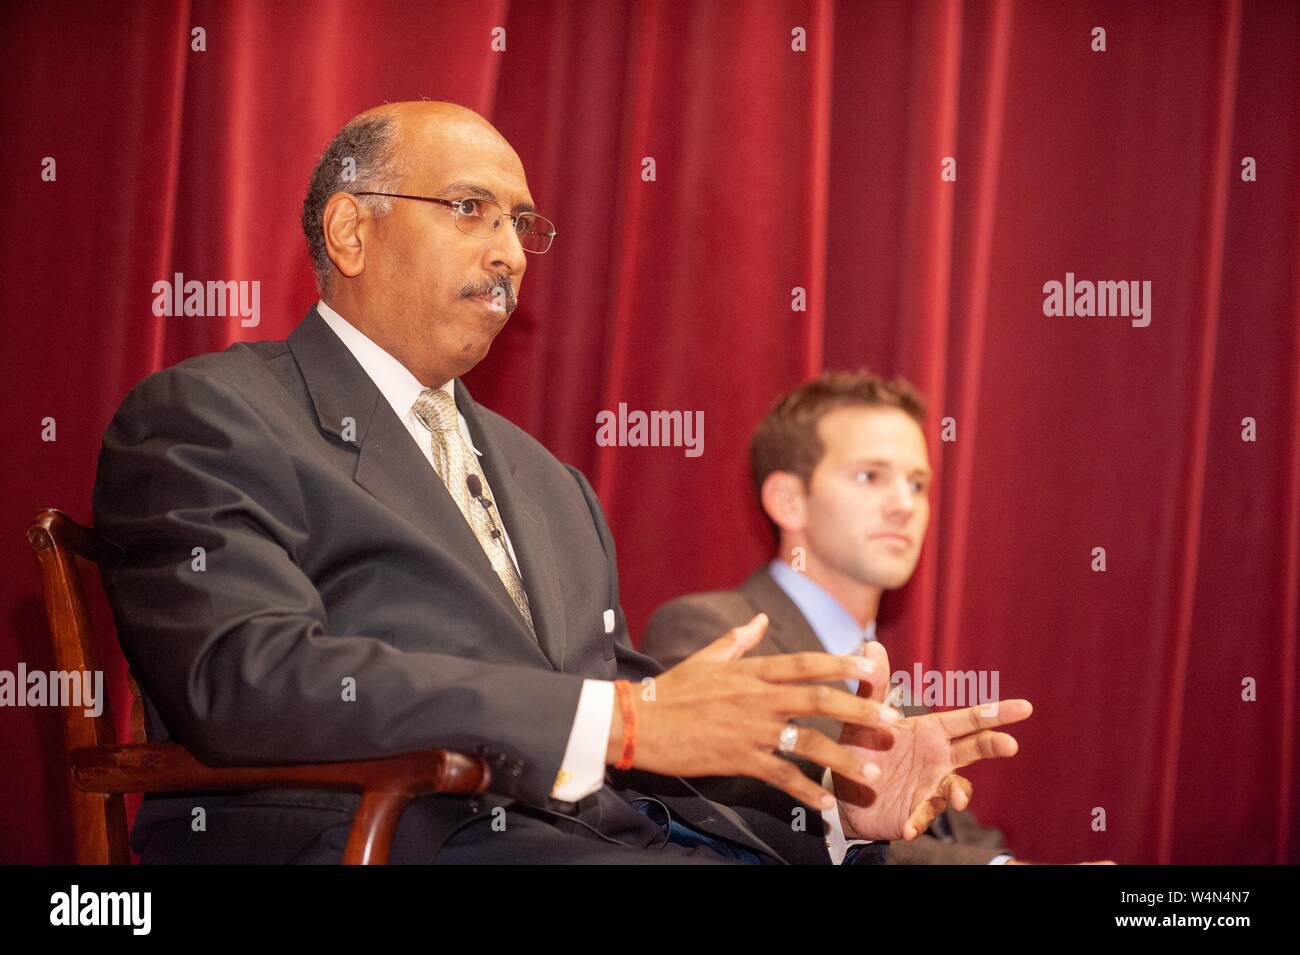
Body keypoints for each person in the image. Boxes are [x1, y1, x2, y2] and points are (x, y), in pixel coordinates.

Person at [92, 101, 1030, 864]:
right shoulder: (210, 414)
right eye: (471, 210)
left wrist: (835, 805)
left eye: (520, 225)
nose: (507, 253)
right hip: (376, 835)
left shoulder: (551, 484)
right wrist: (621, 723)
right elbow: (248, 675)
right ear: (351, 228)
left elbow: (637, 719)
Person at [642, 371, 1107, 864]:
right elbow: (738, 812)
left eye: (918, 483)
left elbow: (955, 840)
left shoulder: (898, 691)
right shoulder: (713, 630)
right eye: (870, 476)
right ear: (788, 500)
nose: (905, 505)